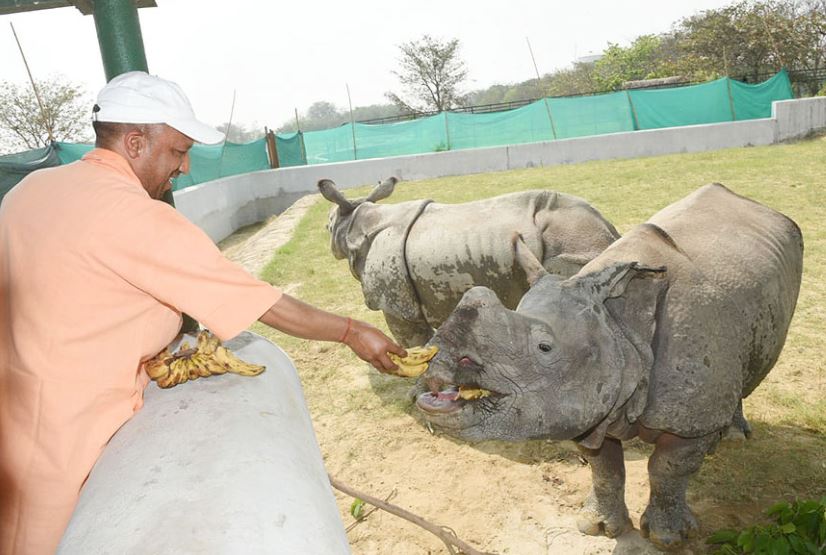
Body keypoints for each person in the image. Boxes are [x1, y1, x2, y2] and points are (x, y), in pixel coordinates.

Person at [0, 71, 406, 555]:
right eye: (177, 151)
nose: (185, 167)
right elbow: (259, 301)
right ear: (134, 142)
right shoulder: (137, 217)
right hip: (68, 441)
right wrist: (350, 331)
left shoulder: (31, 189)